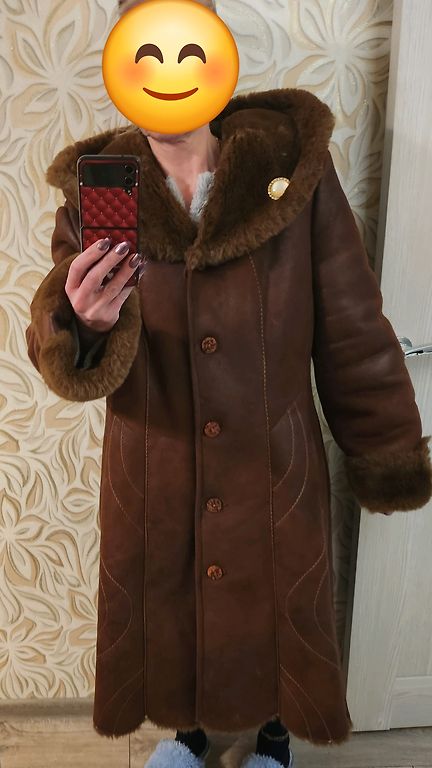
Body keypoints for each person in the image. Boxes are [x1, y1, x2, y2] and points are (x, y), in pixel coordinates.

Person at [25, 0, 432, 766]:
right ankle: (188, 737)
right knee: (171, 613)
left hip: (273, 466)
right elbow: (58, 345)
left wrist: (386, 451)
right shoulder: (100, 196)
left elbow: (351, 326)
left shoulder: (292, 174)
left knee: (275, 611)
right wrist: (80, 324)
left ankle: (273, 740)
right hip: (154, 469)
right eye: (144, 56)